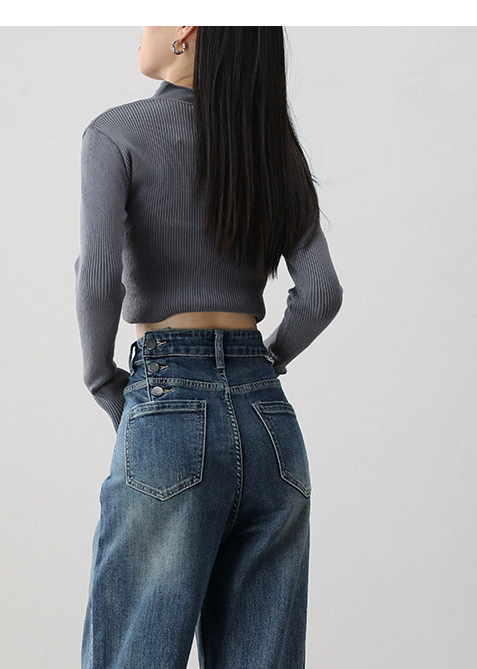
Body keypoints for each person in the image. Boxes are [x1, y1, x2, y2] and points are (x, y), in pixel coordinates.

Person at [74, 26, 343, 669]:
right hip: (270, 423)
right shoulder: (271, 147)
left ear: (187, 31)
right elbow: (322, 293)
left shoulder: (115, 132)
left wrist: (102, 381)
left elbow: (98, 277)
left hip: (168, 406)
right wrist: (264, 364)